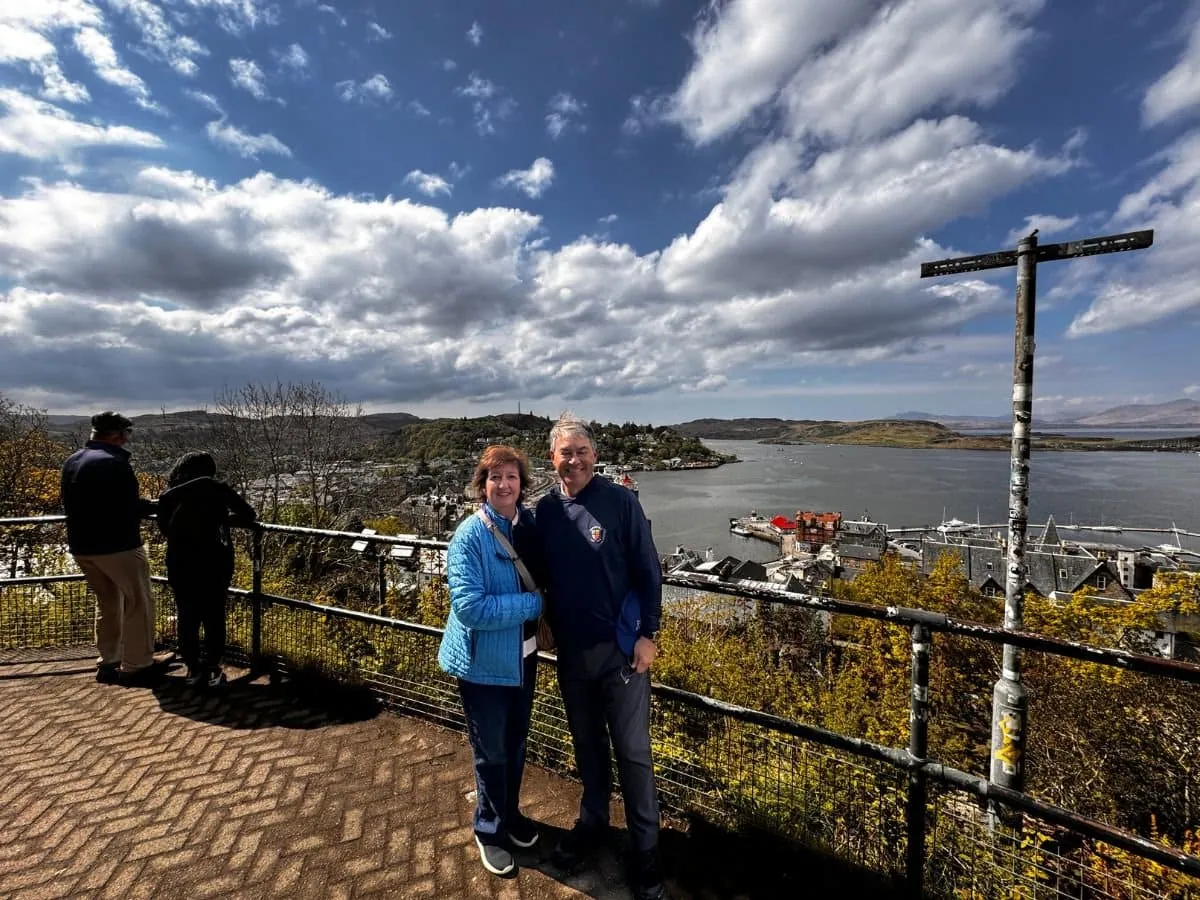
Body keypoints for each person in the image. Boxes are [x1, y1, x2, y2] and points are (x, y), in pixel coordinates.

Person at [534, 414, 666, 900]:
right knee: (586, 745)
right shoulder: (544, 512)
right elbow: (535, 572)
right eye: (565, 453)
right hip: (572, 654)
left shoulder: (620, 502)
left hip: (623, 652)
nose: (574, 460)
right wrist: (542, 615)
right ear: (553, 459)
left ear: (595, 454)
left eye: (581, 451)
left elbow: (649, 570)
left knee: (633, 753)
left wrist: (649, 632)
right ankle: (593, 823)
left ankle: (646, 849)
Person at [437, 444, 544, 877]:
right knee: (491, 750)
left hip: (524, 658)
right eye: (495, 477)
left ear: (522, 484)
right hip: (483, 664)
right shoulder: (469, 535)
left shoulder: (529, 526)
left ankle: (510, 815)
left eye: (512, 477)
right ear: (482, 486)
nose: (504, 485)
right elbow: (470, 608)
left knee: (516, 744)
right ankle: (489, 830)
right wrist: (532, 605)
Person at [60, 411, 159, 686]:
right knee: (139, 603)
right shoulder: (115, 463)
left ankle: (109, 661)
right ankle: (138, 666)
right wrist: (150, 505)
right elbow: (126, 506)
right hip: (118, 545)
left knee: (108, 603)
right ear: (119, 435)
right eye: (128, 433)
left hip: (82, 546)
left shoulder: (72, 461)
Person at [156, 451, 256, 689]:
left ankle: (193, 667)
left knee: (187, 616)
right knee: (214, 616)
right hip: (214, 563)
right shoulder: (215, 488)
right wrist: (221, 519)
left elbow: (164, 528)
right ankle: (213, 668)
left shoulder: (171, 494)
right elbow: (248, 513)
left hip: (180, 563)